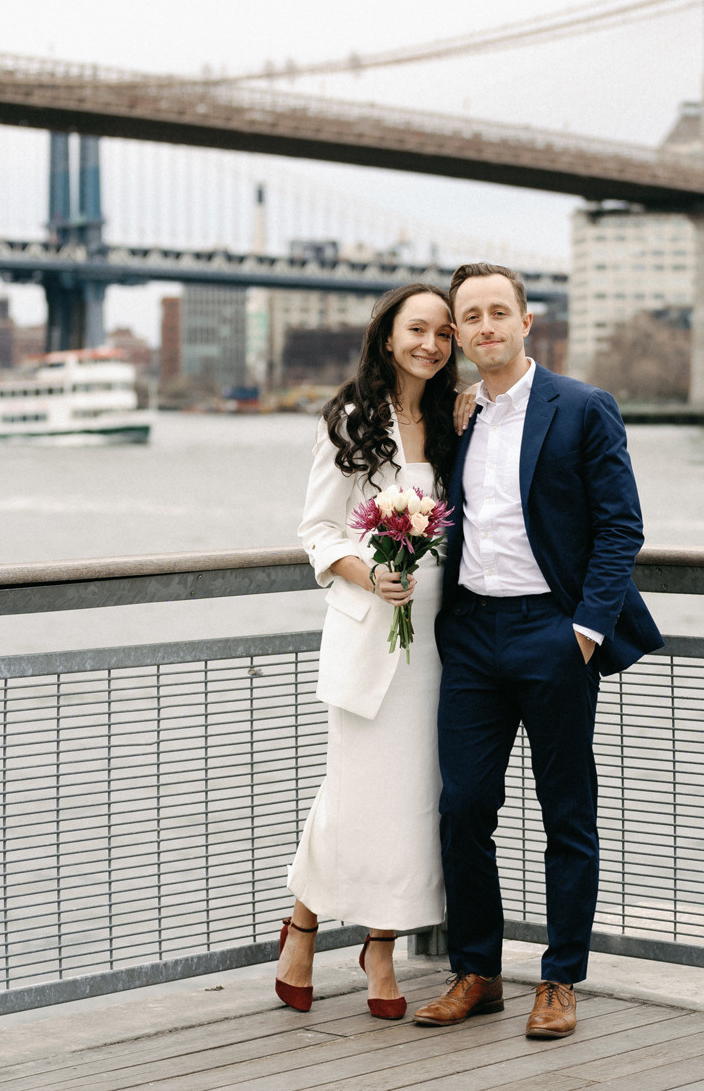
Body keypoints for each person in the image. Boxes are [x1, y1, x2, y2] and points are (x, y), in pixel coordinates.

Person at [411, 262, 663, 1040]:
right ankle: (477, 970)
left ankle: (559, 979)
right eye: (470, 318)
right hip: (473, 637)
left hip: (554, 635)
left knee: (566, 813)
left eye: (498, 312)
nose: (485, 327)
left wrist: (585, 631)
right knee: (462, 808)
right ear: (460, 333)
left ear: (526, 321)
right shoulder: (457, 418)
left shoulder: (583, 407)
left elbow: (621, 526)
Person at [277, 283, 461, 1020]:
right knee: (353, 794)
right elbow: (318, 530)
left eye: (444, 333)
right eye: (418, 328)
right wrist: (370, 570)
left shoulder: (453, 421)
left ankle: (378, 943)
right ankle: (305, 928)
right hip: (367, 637)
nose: (432, 343)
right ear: (388, 335)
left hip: (436, 649)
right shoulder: (354, 419)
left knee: (415, 799)